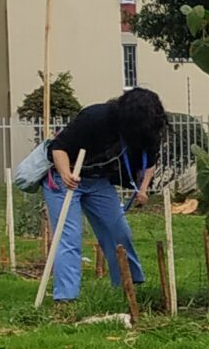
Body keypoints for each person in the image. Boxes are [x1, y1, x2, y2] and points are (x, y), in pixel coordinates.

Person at [45, 87, 168, 302]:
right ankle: (66, 298)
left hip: (98, 180)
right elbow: (58, 147)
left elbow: (149, 162)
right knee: (69, 237)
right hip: (64, 177)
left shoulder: (146, 131)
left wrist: (143, 188)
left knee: (118, 231)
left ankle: (129, 284)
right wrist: (65, 174)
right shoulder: (95, 117)